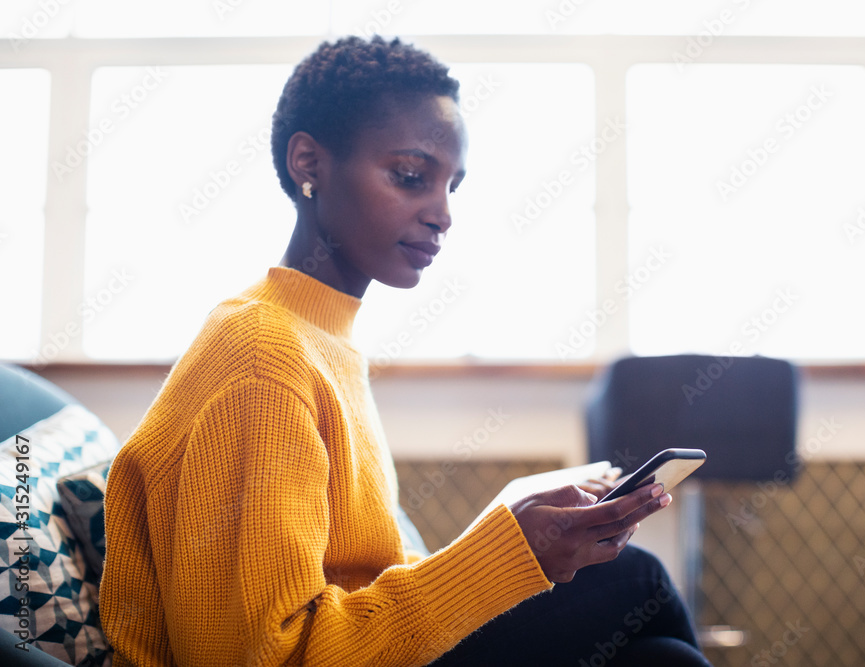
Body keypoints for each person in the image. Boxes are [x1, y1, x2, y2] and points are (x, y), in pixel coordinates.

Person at [99, 36, 711, 666]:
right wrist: (503, 556)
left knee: (662, 659)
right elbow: (252, 657)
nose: (442, 214)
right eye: (412, 177)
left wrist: (512, 538)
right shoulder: (263, 356)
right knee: (636, 580)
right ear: (308, 163)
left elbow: (361, 575)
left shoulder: (321, 336)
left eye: (452, 186)